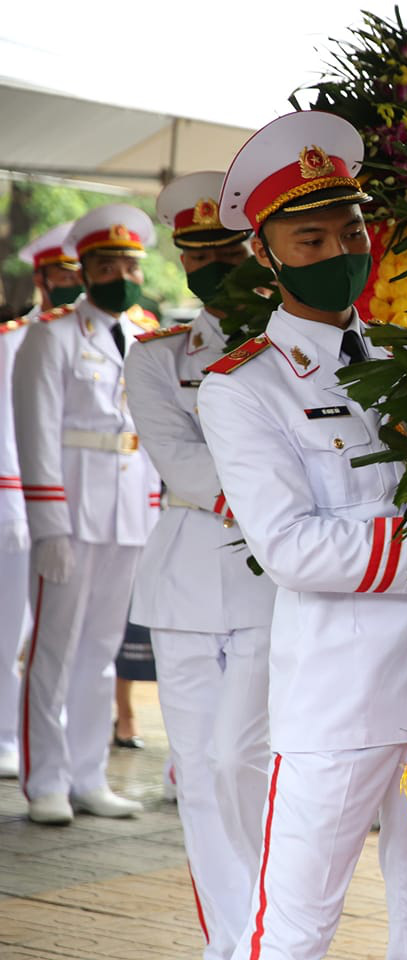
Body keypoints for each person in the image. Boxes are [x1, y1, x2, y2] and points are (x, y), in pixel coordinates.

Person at [197, 110, 407, 958]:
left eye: (350, 231)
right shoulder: (245, 386)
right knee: (296, 923)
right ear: (269, 255)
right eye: (310, 240)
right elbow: (291, 548)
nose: (338, 253)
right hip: (340, 695)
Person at [125, 170, 276, 960]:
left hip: (270, 582)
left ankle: (267, 927)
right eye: (199, 253)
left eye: (229, 248)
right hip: (185, 579)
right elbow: (178, 462)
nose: (215, 265)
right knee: (196, 771)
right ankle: (232, 942)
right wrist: (268, 490)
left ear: (257, 248)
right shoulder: (156, 356)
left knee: (240, 760)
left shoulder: (289, 346)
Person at [12, 204, 162, 825]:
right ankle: (44, 780)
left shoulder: (146, 336)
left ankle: (87, 775)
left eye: (129, 264)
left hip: (126, 515)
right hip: (70, 515)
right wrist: (47, 523)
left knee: (100, 649)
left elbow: (151, 433)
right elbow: (37, 432)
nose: (120, 274)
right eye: (107, 263)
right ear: (85, 268)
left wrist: (153, 512)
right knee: (53, 648)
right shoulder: (52, 335)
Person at [0, 222, 81, 779]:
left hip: (70, 509)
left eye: (82, 274)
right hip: (10, 499)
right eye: (64, 275)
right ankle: (6, 733)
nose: (74, 284)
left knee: (59, 634)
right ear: (42, 277)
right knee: (9, 626)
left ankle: (60, 745)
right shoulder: (13, 339)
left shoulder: (101, 337)